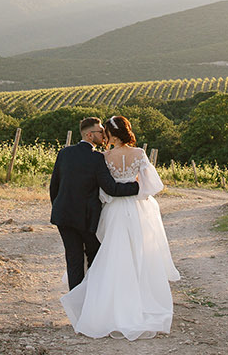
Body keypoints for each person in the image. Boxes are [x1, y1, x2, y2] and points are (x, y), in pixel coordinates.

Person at [60, 114, 180, 340]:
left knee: (114, 256)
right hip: (137, 210)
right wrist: (138, 191)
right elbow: (153, 185)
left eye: (105, 132)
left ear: (111, 134)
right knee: (140, 255)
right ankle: (142, 304)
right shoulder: (140, 154)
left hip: (114, 210)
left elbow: (104, 189)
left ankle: (108, 308)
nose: (104, 136)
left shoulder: (104, 157)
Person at [49, 116, 141, 290]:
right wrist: (137, 187)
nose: (104, 135)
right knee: (96, 258)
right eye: (101, 131)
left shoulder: (64, 153)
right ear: (90, 135)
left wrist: (59, 207)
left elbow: (54, 186)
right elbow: (111, 189)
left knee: (74, 261)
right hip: (86, 219)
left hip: (63, 216)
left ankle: (77, 305)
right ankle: (93, 298)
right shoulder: (97, 158)